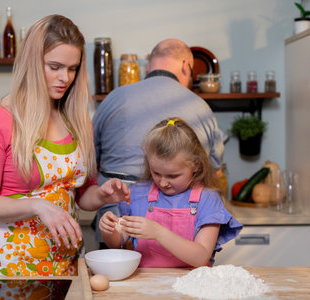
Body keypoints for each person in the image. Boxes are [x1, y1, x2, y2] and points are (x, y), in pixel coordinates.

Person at [0, 14, 130, 277]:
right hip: (11, 266)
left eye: (72, 68)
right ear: (32, 63)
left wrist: (101, 195)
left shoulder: (77, 121)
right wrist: (37, 205)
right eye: (54, 66)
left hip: (65, 261)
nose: (64, 78)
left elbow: (81, 194)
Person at [92, 38, 225, 248]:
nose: (162, 182)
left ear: (149, 64)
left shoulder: (113, 98)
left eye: (171, 175)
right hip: (179, 232)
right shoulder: (200, 107)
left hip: (116, 217)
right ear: (185, 66)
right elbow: (214, 166)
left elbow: (91, 159)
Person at [99, 117, 242, 267]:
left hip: (192, 285)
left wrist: (158, 233)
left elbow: (200, 258)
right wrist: (109, 231)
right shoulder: (139, 194)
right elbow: (118, 244)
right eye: (156, 173)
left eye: (173, 176)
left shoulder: (207, 199)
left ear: (196, 166)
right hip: (146, 284)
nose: (162, 182)